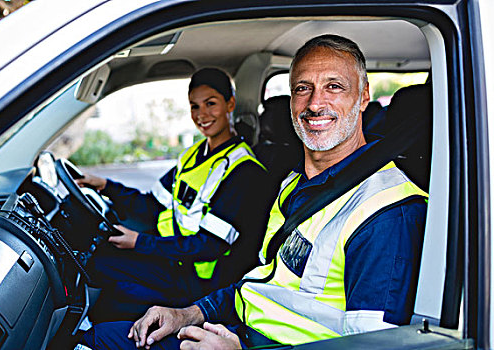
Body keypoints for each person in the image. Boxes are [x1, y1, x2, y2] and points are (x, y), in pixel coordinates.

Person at [79, 34, 428, 349]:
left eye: (334, 87)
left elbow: (372, 347)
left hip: (232, 323)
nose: (315, 103)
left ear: (364, 95)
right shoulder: (294, 185)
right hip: (235, 325)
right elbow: (262, 281)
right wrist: (188, 314)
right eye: (303, 88)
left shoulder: (385, 212)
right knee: (99, 336)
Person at [78, 68, 272, 323]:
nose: (202, 115)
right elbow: (151, 204)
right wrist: (105, 185)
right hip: (174, 260)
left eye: (210, 104)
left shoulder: (244, 172)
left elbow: (209, 246)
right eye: (194, 106)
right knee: (101, 259)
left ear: (230, 104)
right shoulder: (191, 156)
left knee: (104, 272)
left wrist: (140, 242)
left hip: (201, 281)